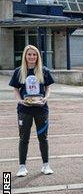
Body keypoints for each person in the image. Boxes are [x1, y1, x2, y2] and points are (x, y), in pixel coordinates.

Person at [9, 45, 54, 177]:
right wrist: (19, 100)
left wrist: (46, 98)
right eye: (29, 54)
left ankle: (46, 165)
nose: (32, 57)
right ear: (25, 56)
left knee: (43, 138)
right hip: (24, 110)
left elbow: (48, 87)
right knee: (24, 138)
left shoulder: (43, 71)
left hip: (41, 109)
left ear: (38, 56)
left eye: (34, 54)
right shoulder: (19, 71)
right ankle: (22, 167)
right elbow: (16, 89)